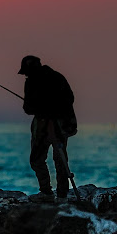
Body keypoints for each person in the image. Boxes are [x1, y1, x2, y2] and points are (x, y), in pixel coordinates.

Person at [18, 55, 77, 203]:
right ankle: (52, 194)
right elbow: (28, 108)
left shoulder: (48, 79)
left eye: (26, 71)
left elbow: (68, 99)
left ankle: (55, 194)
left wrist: (49, 110)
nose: (25, 75)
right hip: (48, 125)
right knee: (49, 159)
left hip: (55, 126)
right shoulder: (56, 77)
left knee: (53, 160)